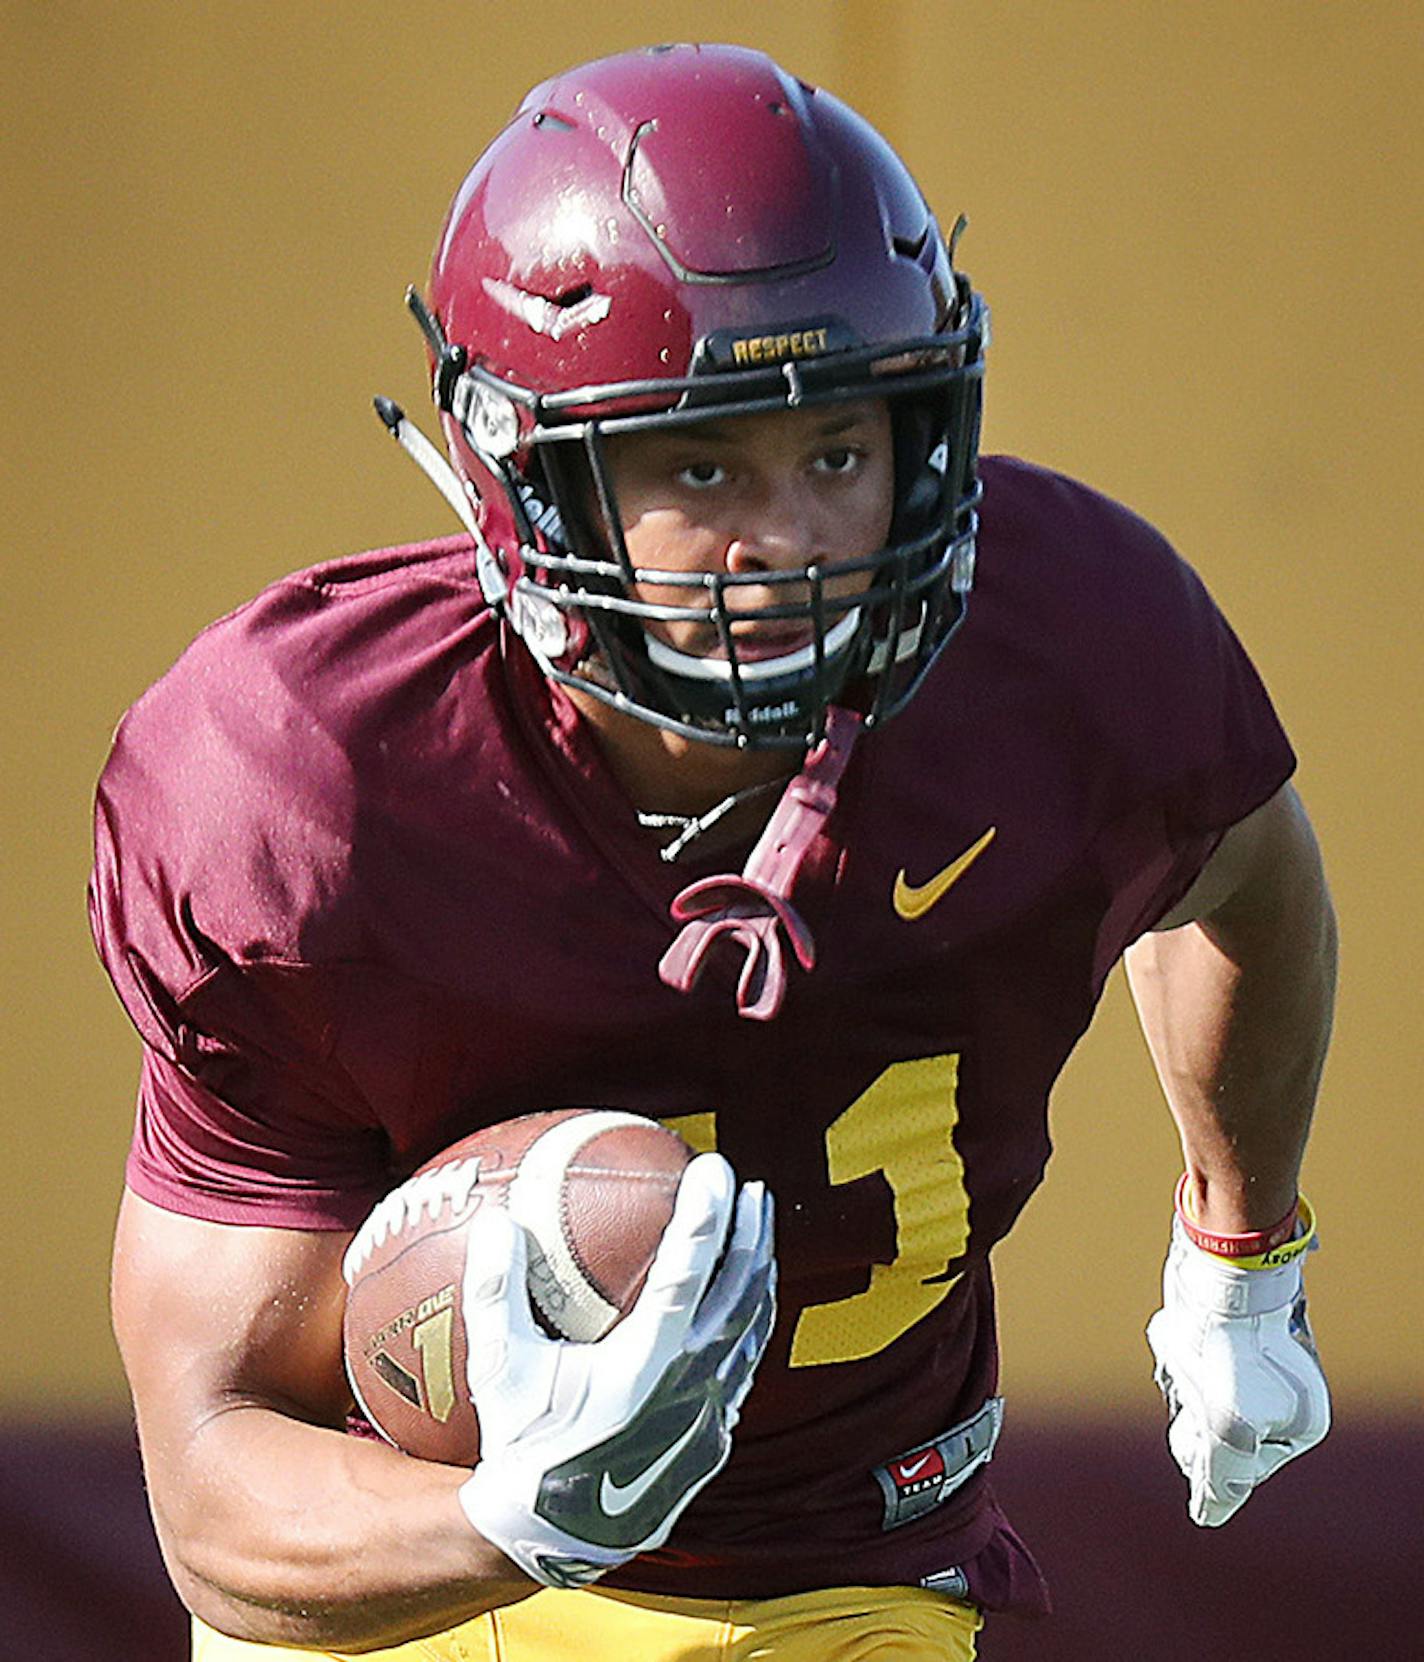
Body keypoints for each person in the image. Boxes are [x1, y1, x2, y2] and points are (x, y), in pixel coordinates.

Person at [91, 41, 1335, 1662]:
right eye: (701, 464)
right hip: (395, 1580)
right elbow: (211, 1477)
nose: (799, 539)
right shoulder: (310, 786)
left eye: (838, 453)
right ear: (528, 479)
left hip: (835, 1576)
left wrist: (1245, 1242)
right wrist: (508, 1518)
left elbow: (1245, 870)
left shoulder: (1072, 642)